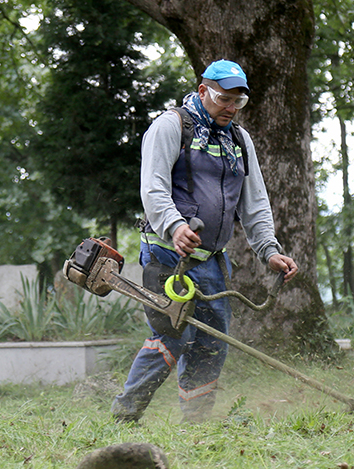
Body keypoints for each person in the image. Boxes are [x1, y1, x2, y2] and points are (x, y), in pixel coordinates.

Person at [111, 59, 299, 423]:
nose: (231, 109)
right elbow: (153, 189)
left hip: (212, 260)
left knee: (212, 343)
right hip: (168, 255)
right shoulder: (170, 127)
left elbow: (255, 203)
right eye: (224, 99)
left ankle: (195, 423)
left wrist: (269, 251)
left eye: (238, 102)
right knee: (172, 334)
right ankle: (125, 414)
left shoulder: (239, 140)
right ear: (202, 91)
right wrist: (174, 226)